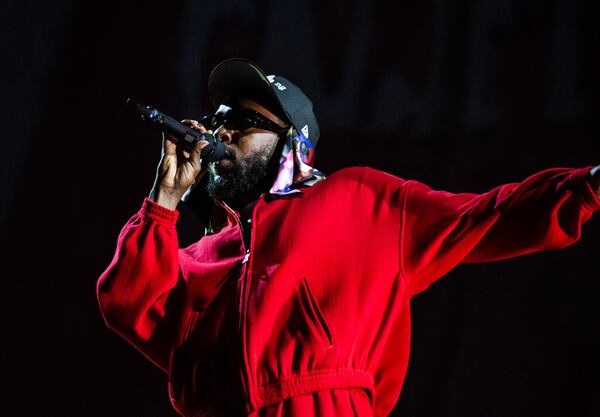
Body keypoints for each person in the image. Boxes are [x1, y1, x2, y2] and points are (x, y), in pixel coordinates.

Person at [97, 58, 600, 417]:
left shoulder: (359, 199)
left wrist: (588, 187)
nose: (218, 133)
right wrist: (162, 200)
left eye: (244, 122)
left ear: (295, 145)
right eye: (216, 121)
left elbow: (489, 215)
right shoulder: (193, 257)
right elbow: (126, 304)